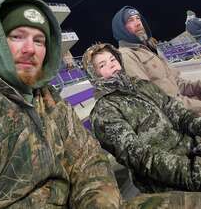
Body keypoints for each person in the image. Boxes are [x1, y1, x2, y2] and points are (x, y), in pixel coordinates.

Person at [0, 0, 123, 208]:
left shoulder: (49, 98)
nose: (30, 49)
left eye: (39, 40)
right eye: (17, 36)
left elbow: (89, 160)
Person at [82, 42, 201, 193]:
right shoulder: (104, 112)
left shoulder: (143, 86)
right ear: (94, 74)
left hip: (191, 148)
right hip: (167, 178)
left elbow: (180, 114)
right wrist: (192, 173)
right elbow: (139, 156)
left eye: (113, 60)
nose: (112, 65)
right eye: (102, 65)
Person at [112, 5, 201, 116]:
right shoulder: (127, 56)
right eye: (130, 20)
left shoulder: (148, 49)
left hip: (182, 101)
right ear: (121, 28)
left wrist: (198, 86)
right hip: (175, 113)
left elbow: (177, 83)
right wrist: (195, 105)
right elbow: (155, 100)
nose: (138, 23)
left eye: (138, 18)